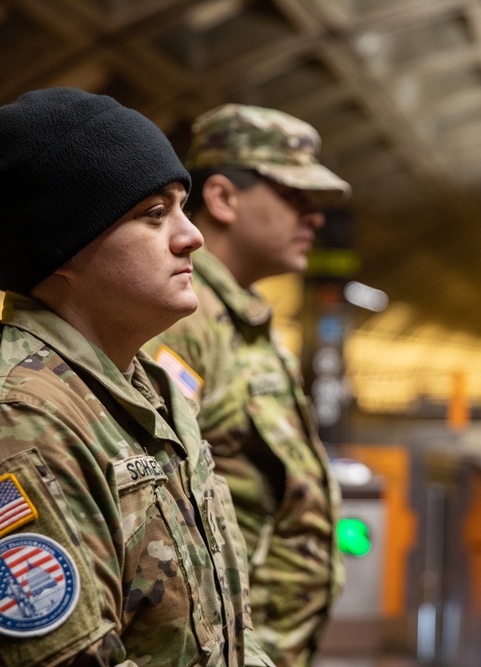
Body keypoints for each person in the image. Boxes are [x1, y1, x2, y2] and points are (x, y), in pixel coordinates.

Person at [0, 88, 271, 667]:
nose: (191, 235)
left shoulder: (145, 392)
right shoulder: (2, 433)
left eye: (182, 206)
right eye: (154, 214)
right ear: (63, 250)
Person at [143, 104, 350, 667]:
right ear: (223, 198)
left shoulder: (245, 320)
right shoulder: (184, 322)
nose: (314, 218)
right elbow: (155, 514)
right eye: (294, 197)